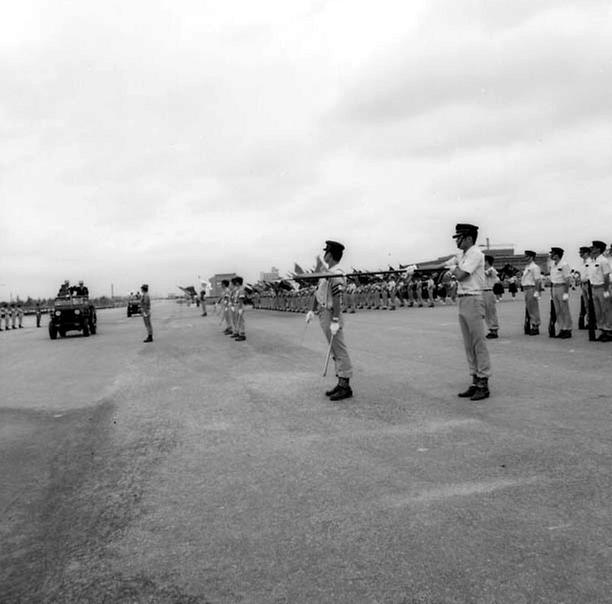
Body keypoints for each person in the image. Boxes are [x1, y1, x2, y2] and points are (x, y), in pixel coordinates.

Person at [445, 223, 491, 401]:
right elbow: (449, 269)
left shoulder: (475, 253)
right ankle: (474, 379)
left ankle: (483, 382)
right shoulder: (462, 255)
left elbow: (462, 275)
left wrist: (452, 269)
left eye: (459, 237)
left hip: (473, 298)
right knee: (468, 343)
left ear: (469, 238)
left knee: (478, 342)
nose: (457, 240)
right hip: (463, 298)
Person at [305, 240, 353, 401]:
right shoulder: (327, 273)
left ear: (330, 255)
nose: (324, 254)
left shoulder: (336, 274)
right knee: (334, 350)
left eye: (326, 252)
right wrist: (312, 310)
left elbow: (338, 299)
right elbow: (317, 293)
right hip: (323, 313)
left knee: (339, 350)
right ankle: (341, 382)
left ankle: (345, 386)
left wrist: (335, 320)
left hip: (332, 314)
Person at [588, 240, 611, 341]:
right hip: (594, 288)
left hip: (602, 287)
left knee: (606, 310)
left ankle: (609, 330)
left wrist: (606, 290)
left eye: (593, 247)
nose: (591, 249)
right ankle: (602, 330)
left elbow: (606, 276)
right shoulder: (593, 261)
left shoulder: (603, 261)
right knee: (598, 311)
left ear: (598, 249)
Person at [549, 247, 573, 339]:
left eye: (552, 254)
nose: (551, 255)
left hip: (562, 287)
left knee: (564, 310)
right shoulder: (553, 265)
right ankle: (562, 328)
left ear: (557, 255)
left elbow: (567, 279)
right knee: (558, 310)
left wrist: (566, 292)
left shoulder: (564, 264)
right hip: (554, 287)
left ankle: (568, 329)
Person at [521, 250, 542, 335]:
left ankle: (535, 326)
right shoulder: (527, 267)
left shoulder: (535, 267)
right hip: (526, 289)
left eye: (526, 256)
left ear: (531, 257)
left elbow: (537, 280)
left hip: (531, 288)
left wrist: (537, 291)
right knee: (529, 308)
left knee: (533, 308)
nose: (525, 258)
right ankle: (532, 325)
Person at [483, 255, 500, 339]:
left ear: (487, 261)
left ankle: (494, 329)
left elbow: (495, 278)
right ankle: (491, 328)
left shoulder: (491, 270)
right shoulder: (484, 270)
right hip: (483, 292)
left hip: (489, 291)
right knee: (486, 312)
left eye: (484, 260)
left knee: (491, 311)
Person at [232, 277, 247, 341]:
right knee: (238, 320)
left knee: (241, 321)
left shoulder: (241, 290)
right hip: (236, 305)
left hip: (239, 305)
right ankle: (238, 332)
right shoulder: (237, 289)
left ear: (238, 282)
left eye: (235, 282)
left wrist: (240, 308)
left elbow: (241, 299)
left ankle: (242, 334)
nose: (234, 283)